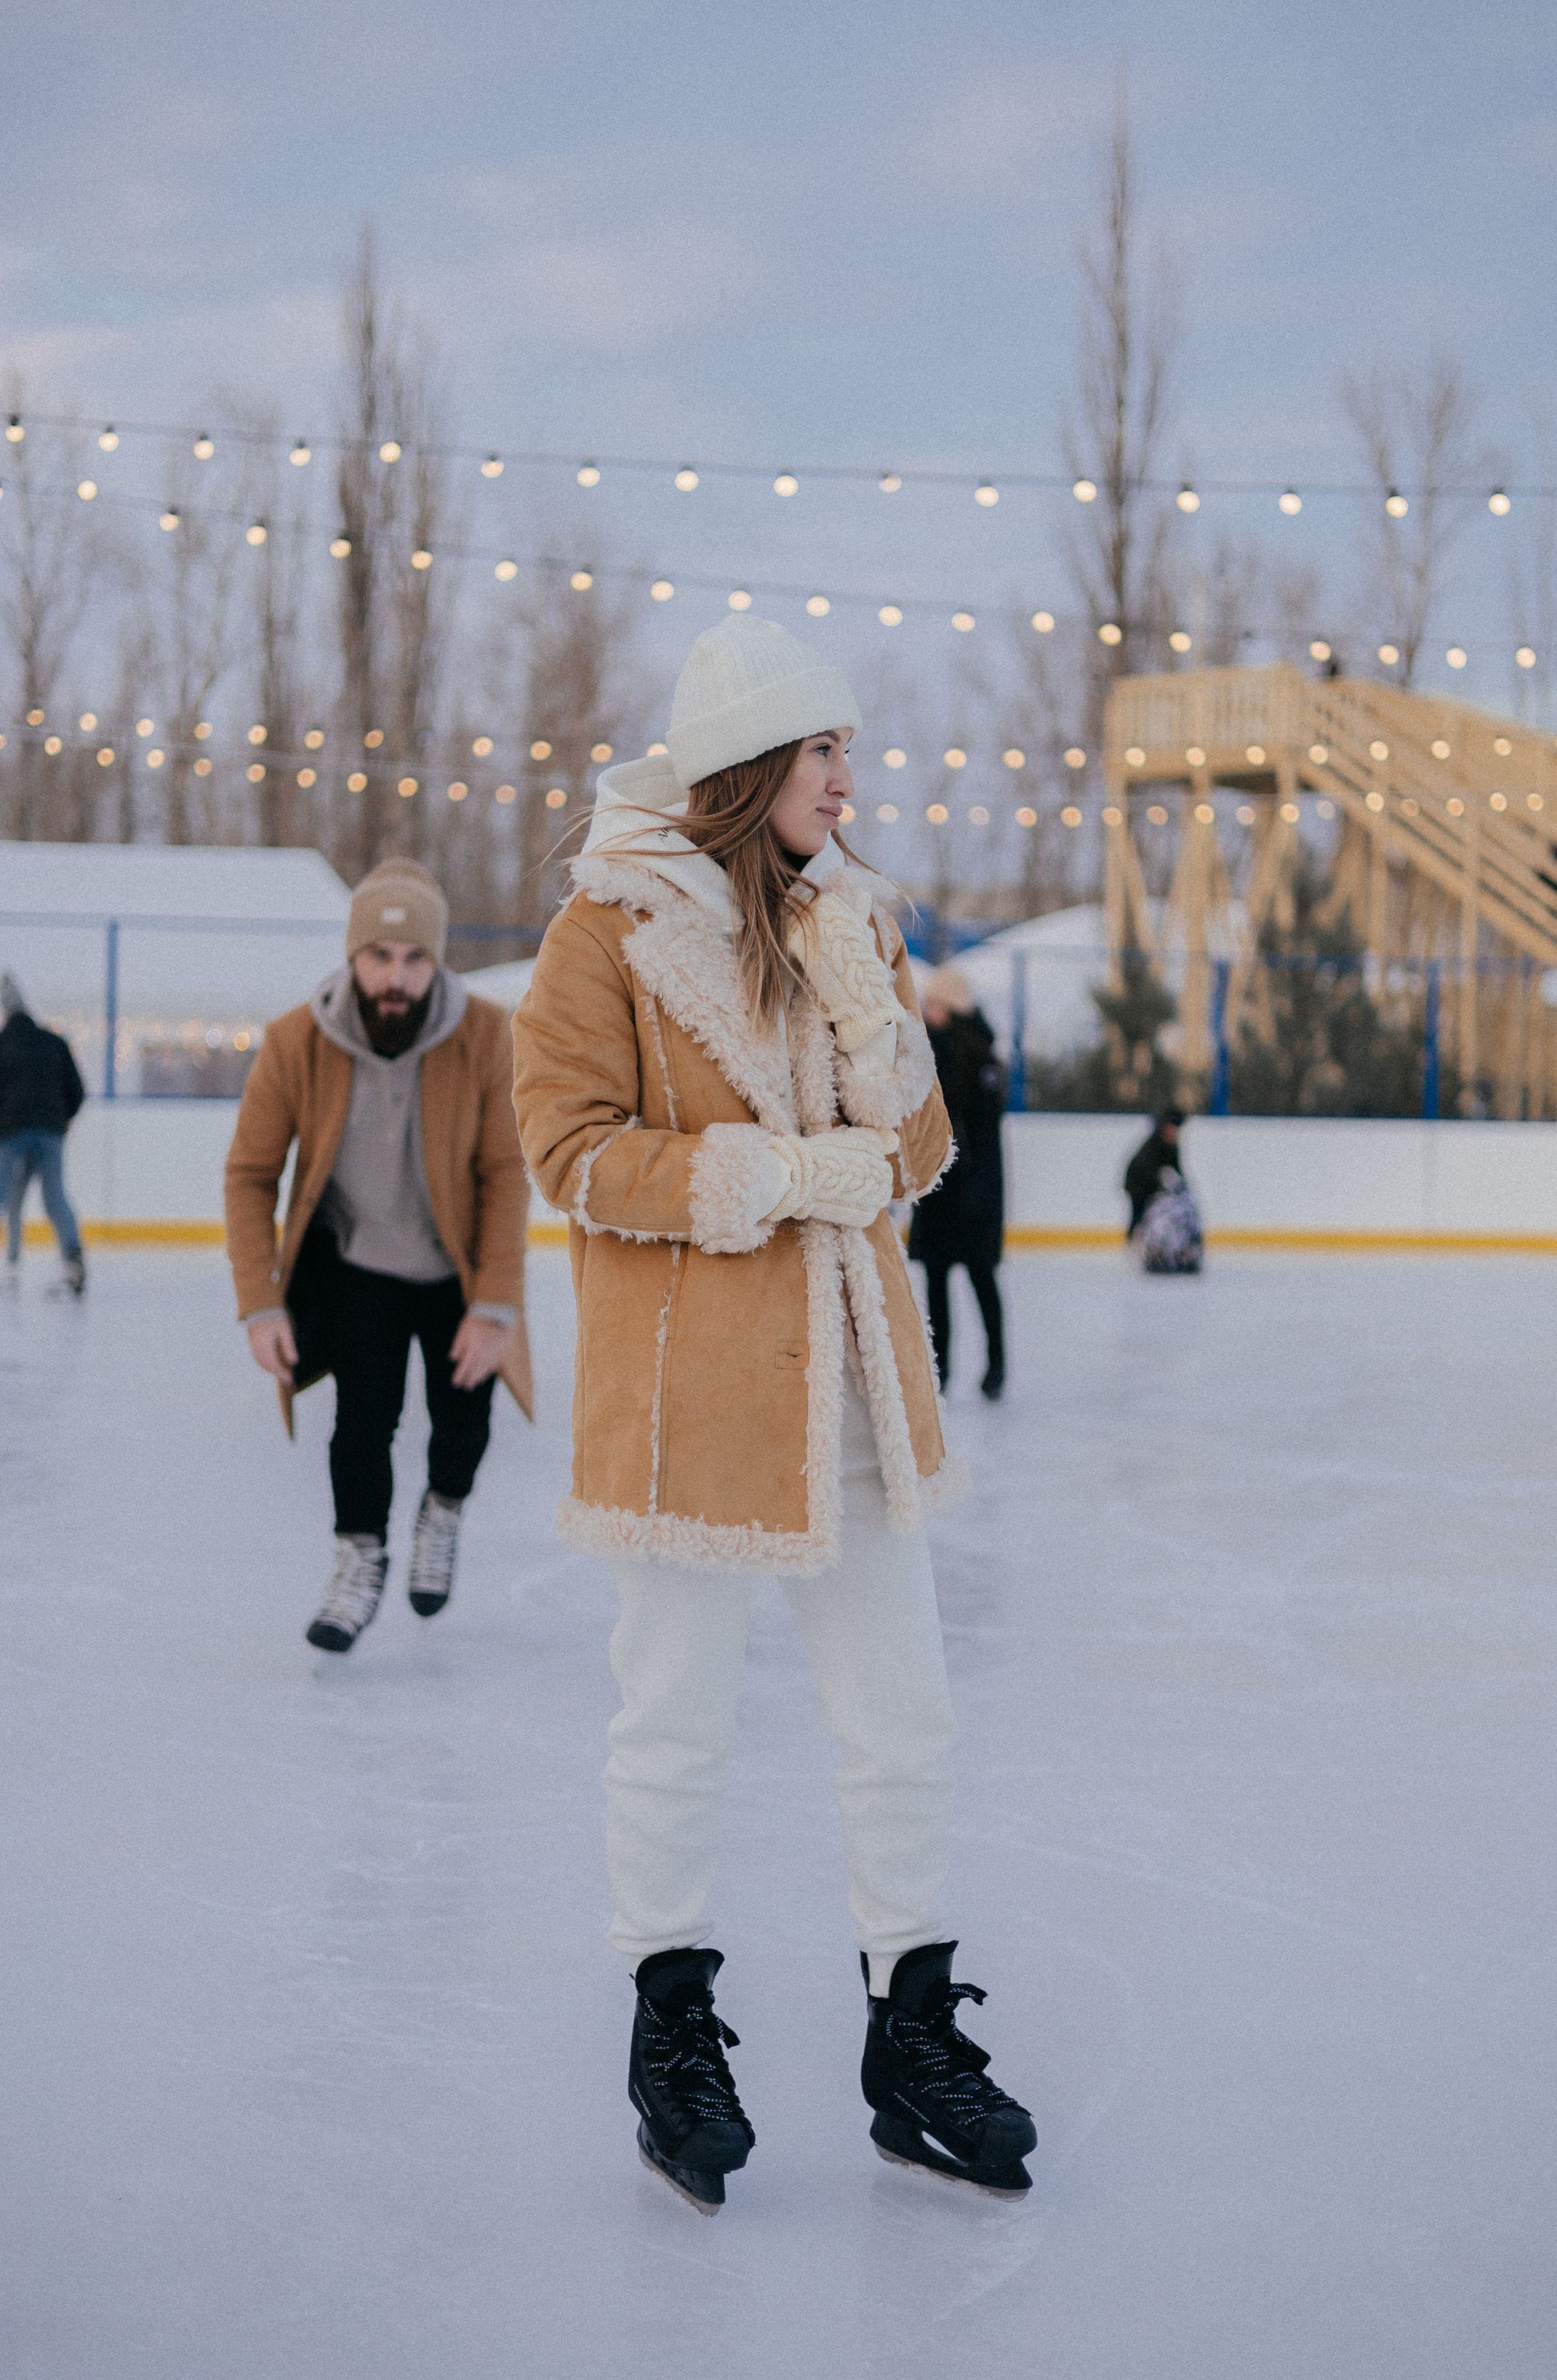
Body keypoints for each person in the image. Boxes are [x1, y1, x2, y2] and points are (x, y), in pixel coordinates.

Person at [513, 613, 1036, 2216]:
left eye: (848, 749)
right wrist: (763, 1179)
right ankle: (672, 2033)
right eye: (824, 749)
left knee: (908, 1719)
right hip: (694, 1401)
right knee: (673, 1721)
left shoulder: (853, 923)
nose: (847, 774)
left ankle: (912, 2038)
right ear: (748, 768)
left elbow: (926, 1161)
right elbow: (570, 1151)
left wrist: (876, 1026)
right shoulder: (605, 933)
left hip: (861, 1382)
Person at [224, 859, 533, 1654]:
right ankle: (359, 1559)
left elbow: (506, 1173)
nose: (396, 977)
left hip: (455, 1270)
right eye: (379, 957)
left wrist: (495, 1307)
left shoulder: (487, 1035)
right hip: (357, 1264)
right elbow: (250, 1175)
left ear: (438, 961)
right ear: (353, 956)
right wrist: (260, 1304)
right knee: (362, 1425)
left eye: (414, 958)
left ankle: (443, 1510)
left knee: (463, 1419)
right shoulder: (296, 1041)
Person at [906, 965, 1006, 1399]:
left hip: (973, 1188)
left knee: (980, 1279)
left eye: (935, 1005)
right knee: (938, 1283)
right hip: (940, 1187)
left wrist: (979, 1189)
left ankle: (995, 1365)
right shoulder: (927, 1052)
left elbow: (985, 1132)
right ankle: (941, 1370)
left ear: (952, 1008)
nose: (928, 1012)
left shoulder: (979, 1057)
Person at [0, 972, 87, 1296]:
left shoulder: (3, 1045)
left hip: (11, 1133)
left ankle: (14, 1259)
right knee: (55, 1197)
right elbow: (77, 1090)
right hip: (50, 1133)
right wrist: (63, 1119)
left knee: (3, 1196)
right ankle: (74, 1260)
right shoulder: (54, 1042)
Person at [1124, 1107, 1185, 1239]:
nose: (1173, 1133)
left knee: (1155, 1214)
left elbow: (1176, 1168)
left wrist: (1181, 1184)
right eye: (1171, 1129)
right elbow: (1146, 1169)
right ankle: (1132, 1242)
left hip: (1151, 1186)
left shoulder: (1172, 1146)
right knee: (1139, 1214)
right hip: (1138, 1185)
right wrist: (1160, 1185)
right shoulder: (1154, 1145)